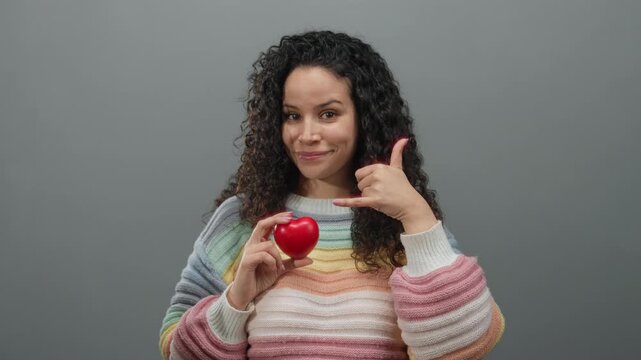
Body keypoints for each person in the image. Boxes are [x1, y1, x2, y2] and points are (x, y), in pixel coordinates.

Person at [159, 30, 505, 360]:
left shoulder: (407, 221)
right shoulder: (243, 221)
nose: (307, 134)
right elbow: (177, 351)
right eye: (292, 116)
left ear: (363, 119)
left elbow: (463, 348)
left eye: (328, 114)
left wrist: (416, 215)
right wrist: (236, 300)